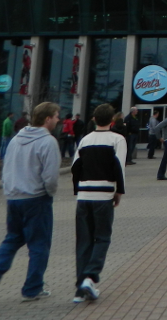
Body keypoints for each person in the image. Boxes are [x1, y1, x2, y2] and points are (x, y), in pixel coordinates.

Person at [0, 101, 61, 303]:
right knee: (39, 244)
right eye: (57, 116)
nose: (59, 120)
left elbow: (6, 168)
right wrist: (49, 193)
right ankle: (32, 288)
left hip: (14, 197)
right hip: (36, 198)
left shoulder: (16, 139)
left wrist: (9, 191)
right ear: (48, 118)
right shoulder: (48, 141)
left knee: (13, 238)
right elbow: (50, 176)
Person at [71, 103, 127, 303]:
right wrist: (118, 191)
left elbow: (75, 166)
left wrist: (78, 190)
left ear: (94, 119)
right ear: (112, 120)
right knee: (102, 238)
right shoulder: (117, 139)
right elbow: (119, 167)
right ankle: (90, 277)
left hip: (84, 196)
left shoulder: (85, 140)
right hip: (103, 195)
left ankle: (80, 289)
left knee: (83, 241)